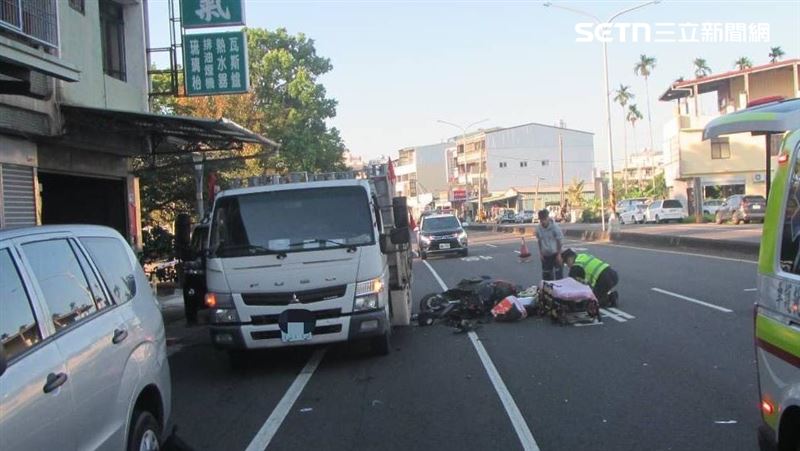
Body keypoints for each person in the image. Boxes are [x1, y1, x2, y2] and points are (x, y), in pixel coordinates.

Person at [535, 209, 564, 280]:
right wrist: (541, 253)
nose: (543, 222)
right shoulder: (538, 228)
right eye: (541, 220)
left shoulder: (555, 227)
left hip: (555, 254)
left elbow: (559, 241)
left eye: (544, 219)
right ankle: (548, 290)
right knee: (546, 276)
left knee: (558, 275)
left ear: (548, 217)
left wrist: (559, 254)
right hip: (546, 255)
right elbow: (539, 241)